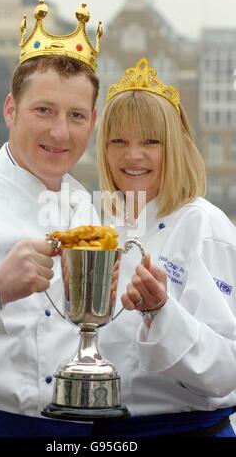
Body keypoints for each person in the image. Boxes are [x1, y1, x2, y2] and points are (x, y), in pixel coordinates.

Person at [0, 0, 102, 437]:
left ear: (92, 122)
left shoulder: (88, 210)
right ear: (10, 110)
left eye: (76, 116)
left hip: (73, 431)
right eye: (43, 110)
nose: (60, 132)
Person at [95, 57, 236, 437]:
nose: (132, 155)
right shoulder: (100, 228)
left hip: (186, 433)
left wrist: (161, 311)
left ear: (175, 147)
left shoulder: (203, 225)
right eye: (118, 141)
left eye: (150, 142)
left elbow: (227, 369)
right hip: (104, 434)